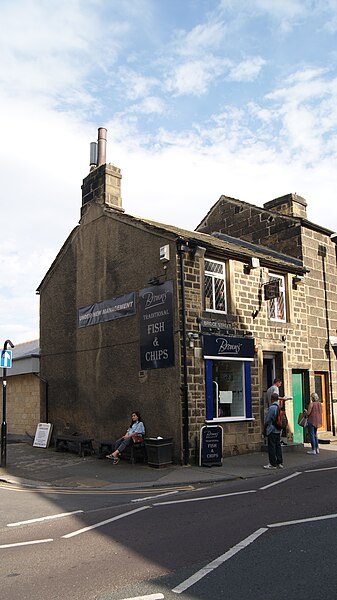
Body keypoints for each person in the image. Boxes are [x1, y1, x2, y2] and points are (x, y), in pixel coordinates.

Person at [263, 392, 284, 469]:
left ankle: (272, 464)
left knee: (271, 447)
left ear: (272, 399)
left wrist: (264, 428)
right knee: (278, 446)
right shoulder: (279, 407)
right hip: (278, 429)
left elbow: (268, 420)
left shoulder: (272, 408)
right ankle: (279, 462)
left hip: (272, 429)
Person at [266, 378, 288, 445]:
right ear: (277, 382)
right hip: (276, 407)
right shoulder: (275, 388)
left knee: (270, 423)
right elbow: (276, 397)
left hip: (270, 406)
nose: (280, 385)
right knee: (278, 422)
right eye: (280, 383)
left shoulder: (269, 389)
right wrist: (284, 398)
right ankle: (278, 440)